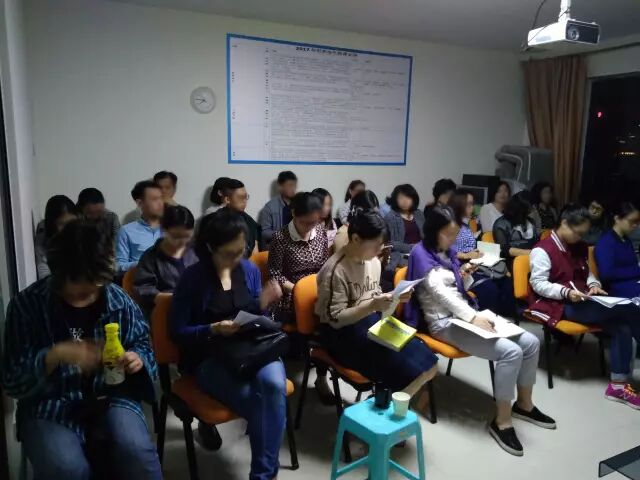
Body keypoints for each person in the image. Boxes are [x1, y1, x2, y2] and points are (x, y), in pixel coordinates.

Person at [2, 220, 161, 479]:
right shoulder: (28, 305)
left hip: (111, 395)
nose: (89, 294)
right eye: (79, 288)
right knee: (66, 468)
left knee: (137, 453)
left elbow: (144, 346)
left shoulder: (118, 300)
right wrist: (54, 356)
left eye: (95, 286)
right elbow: (12, 381)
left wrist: (138, 359)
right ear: (59, 274)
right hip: (49, 402)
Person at [407, 206, 554, 456]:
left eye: (454, 234)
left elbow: (456, 288)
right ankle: (502, 421)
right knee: (511, 352)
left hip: (463, 313)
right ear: (433, 231)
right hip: (443, 322)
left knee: (530, 342)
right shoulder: (420, 253)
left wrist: (464, 274)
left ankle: (524, 405)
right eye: (448, 234)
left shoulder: (446, 251)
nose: (453, 240)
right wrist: (473, 317)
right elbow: (440, 294)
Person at [170, 210, 285, 480]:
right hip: (210, 357)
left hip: (253, 348)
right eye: (229, 253)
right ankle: (264, 475)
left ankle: (262, 475)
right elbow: (177, 332)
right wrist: (212, 328)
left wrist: (263, 304)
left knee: (274, 386)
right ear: (211, 247)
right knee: (262, 405)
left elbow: (255, 315)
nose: (236, 259)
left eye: (240, 251)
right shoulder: (193, 278)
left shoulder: (248, 269)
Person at [316, 210, 438, 412]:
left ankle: (386, 406)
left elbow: (375, 297)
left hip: (371, 322)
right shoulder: (335, 270)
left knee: (429, 363)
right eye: (376, 244)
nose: (380, 249)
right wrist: (373, 306)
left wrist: (393, 298)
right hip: (342, 335)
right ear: (356, 239)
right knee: (408, 370)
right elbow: (335, 319)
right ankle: (385, 411)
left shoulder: (372, 261)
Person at [529, 204, 640, 410]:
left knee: (622, 326)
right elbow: (538, 284)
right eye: (577, 232)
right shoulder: (542, 249)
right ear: (564, 223)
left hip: (583, 299)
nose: (580, 238)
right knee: (630, 308)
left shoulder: (577, 246)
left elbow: (586, 273)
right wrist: (566, 292)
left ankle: (618, 386)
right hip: (561, 305)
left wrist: (594, 284)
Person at [449, 189, 515, 316]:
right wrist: (466, 255)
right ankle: (488, 318)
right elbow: (443, 251)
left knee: (505, 281)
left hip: (473, 263)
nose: (472, 208)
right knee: (489, 288)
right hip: (459, 267)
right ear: (459, 205)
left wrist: (476, 252)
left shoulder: (465, 224)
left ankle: (505, 317)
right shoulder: (451, 225)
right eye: (469, 204)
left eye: (472, 204)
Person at [268, 192, 329, 323]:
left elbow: (325, 265)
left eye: (314, 222)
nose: (309, 227)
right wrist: (300, 290)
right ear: (294, 213)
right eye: (305, 222)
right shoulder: (281, 238)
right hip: (292, 292)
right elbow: (275, 274)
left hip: (318, 289)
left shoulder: (320, 232)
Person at [133, 205, 198, 317]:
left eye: (187, 236)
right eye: (176, 237)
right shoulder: (151, 256)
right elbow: (143, 288)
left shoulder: (197, 250)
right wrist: (167, 298)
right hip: (166, 311)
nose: (182, 242)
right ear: (164, 230)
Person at [116, 181, 164, 273]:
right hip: (138, 279)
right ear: (140, 203)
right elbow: (119, 266)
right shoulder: (126, 231)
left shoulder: (171, 229)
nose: (160, 203)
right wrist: (144, 263)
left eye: (161, 198)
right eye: (154, 199)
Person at [595, 201, 640, 298]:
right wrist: (637, 271)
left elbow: (633, 265)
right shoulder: (606, 241)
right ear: (617, 219)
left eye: (637, 222)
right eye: (632, 221)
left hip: (631, 283)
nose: (635, 225)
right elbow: (607, 274)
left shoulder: (626, 240)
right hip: (615, 289)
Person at [34, 195, 79, 279]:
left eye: (72, 222)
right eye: (63, 224)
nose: (69, 228)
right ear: (52, 225)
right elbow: (45, 277)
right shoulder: (43, 244)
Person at [493, 191, 539, 271]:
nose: (533, 209)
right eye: (531, 207)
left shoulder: (531, 222)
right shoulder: (501, 224)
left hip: (533, 261)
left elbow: (537, 243)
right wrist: (531, 253)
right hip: (510, 264)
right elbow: (504, 250)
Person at [384, 184, 425, 271]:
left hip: (421, 252)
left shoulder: (419, 214)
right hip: (401, 254)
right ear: (395, 199)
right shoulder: (390, 217)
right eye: (401, 198)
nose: (405, 201)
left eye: (408, 197)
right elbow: (389, 243)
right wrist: (411, 248)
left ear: (413, 199)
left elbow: (426, 235)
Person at [259, 171, 298, 250]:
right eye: (290, 185)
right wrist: (283, 234)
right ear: (280, 187)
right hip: (277, 248)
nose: (293, 189)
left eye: (294, 185)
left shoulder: (299, 203)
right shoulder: (270, 207)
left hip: (296, 247)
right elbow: (264, 232)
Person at [222, 179, 260, 257]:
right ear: (227, 199)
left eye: (246, 197)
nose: (244, 201)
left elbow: (255, 249)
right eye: (240, 197)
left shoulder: (248, 220)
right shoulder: (217, 221)